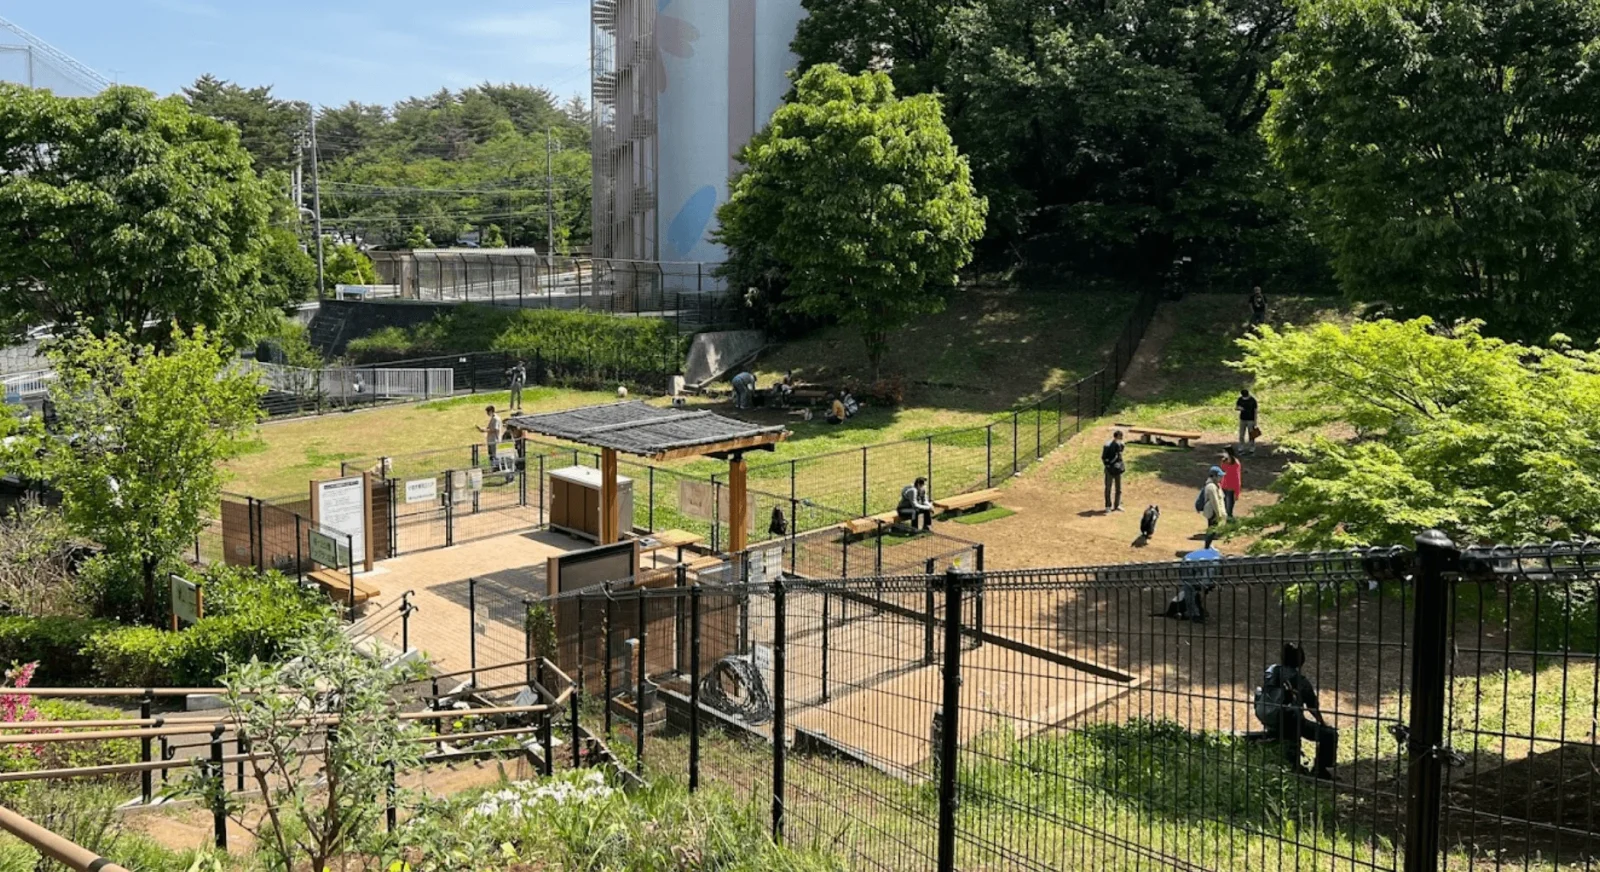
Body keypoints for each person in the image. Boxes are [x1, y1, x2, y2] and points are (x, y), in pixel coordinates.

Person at [1255, 642, 1338, 780]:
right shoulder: (1300, 681)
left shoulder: (1270, 671)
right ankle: (1320, 770)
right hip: (1289, 721)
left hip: (1268, 717)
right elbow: (1313, 706)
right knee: (1329, 735)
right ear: (1301, 661)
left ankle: (1294, 763)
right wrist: (1322, 723)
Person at [1101, 430, 1126, 513]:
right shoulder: (1107, 445)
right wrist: (1108, 466)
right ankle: (1108, 506)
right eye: (1120, 436)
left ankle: (1117, 505)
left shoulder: (1120, 445)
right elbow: (1104, 457)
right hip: (1109, 470)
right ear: (1117, 436)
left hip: (1117, 469)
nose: (1122, 438)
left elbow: (1120, 454)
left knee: (1118, 488)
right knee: (1108, 488)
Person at [1200, 466, 1225, 548]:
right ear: (1213, 476)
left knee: (1212, 529)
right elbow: (1215, 502)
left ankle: (1208, 545)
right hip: (1212, 512)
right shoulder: (1211, 487)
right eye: (1219, 476)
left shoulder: (1217, 485)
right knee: (1212, 530)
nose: (1221, 478)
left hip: (1215, 511)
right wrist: (1219, 515)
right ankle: (1207, 547)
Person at [1218, 447, 1243, 520]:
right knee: (1223, 508)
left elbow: (1237, 478)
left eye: (1225, 452)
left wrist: (1237, 493)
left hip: (1231, 489)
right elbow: (1221, 474)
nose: (1224, 454)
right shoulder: (1223, 461)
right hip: (1223, 487)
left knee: (1229, 510)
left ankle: (1230, 524)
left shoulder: (1236, 463)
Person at [1235, 388, 1259, 454]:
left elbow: (1255, 410)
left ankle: (1252, 448)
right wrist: (1239, 408)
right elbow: (1236, 407)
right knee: (1241, 434)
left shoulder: (1252, 400)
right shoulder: (1240, 399)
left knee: (1251, 434)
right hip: (1242, 419)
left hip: (1250, 419)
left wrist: (1255, 420)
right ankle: (1241, 447)